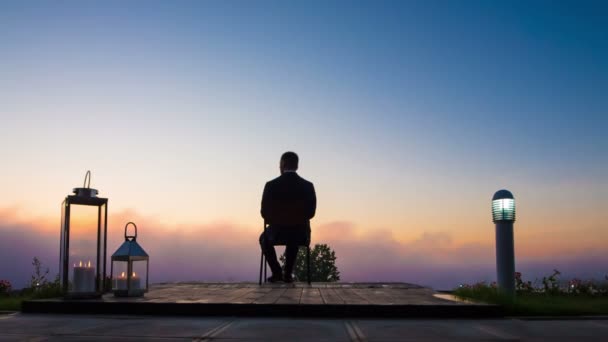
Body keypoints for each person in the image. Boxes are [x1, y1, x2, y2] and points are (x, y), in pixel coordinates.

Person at [259, 151, 316, 283]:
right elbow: (311, 213)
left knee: (263, 239)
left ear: (282, 165)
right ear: (297, 166)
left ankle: (277, 272)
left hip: (276, 232)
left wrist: (279, 220)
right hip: (301, 233)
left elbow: (264, 213)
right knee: (294, 235)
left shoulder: (271, 185)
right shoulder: (308, 186)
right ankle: (287, 274)